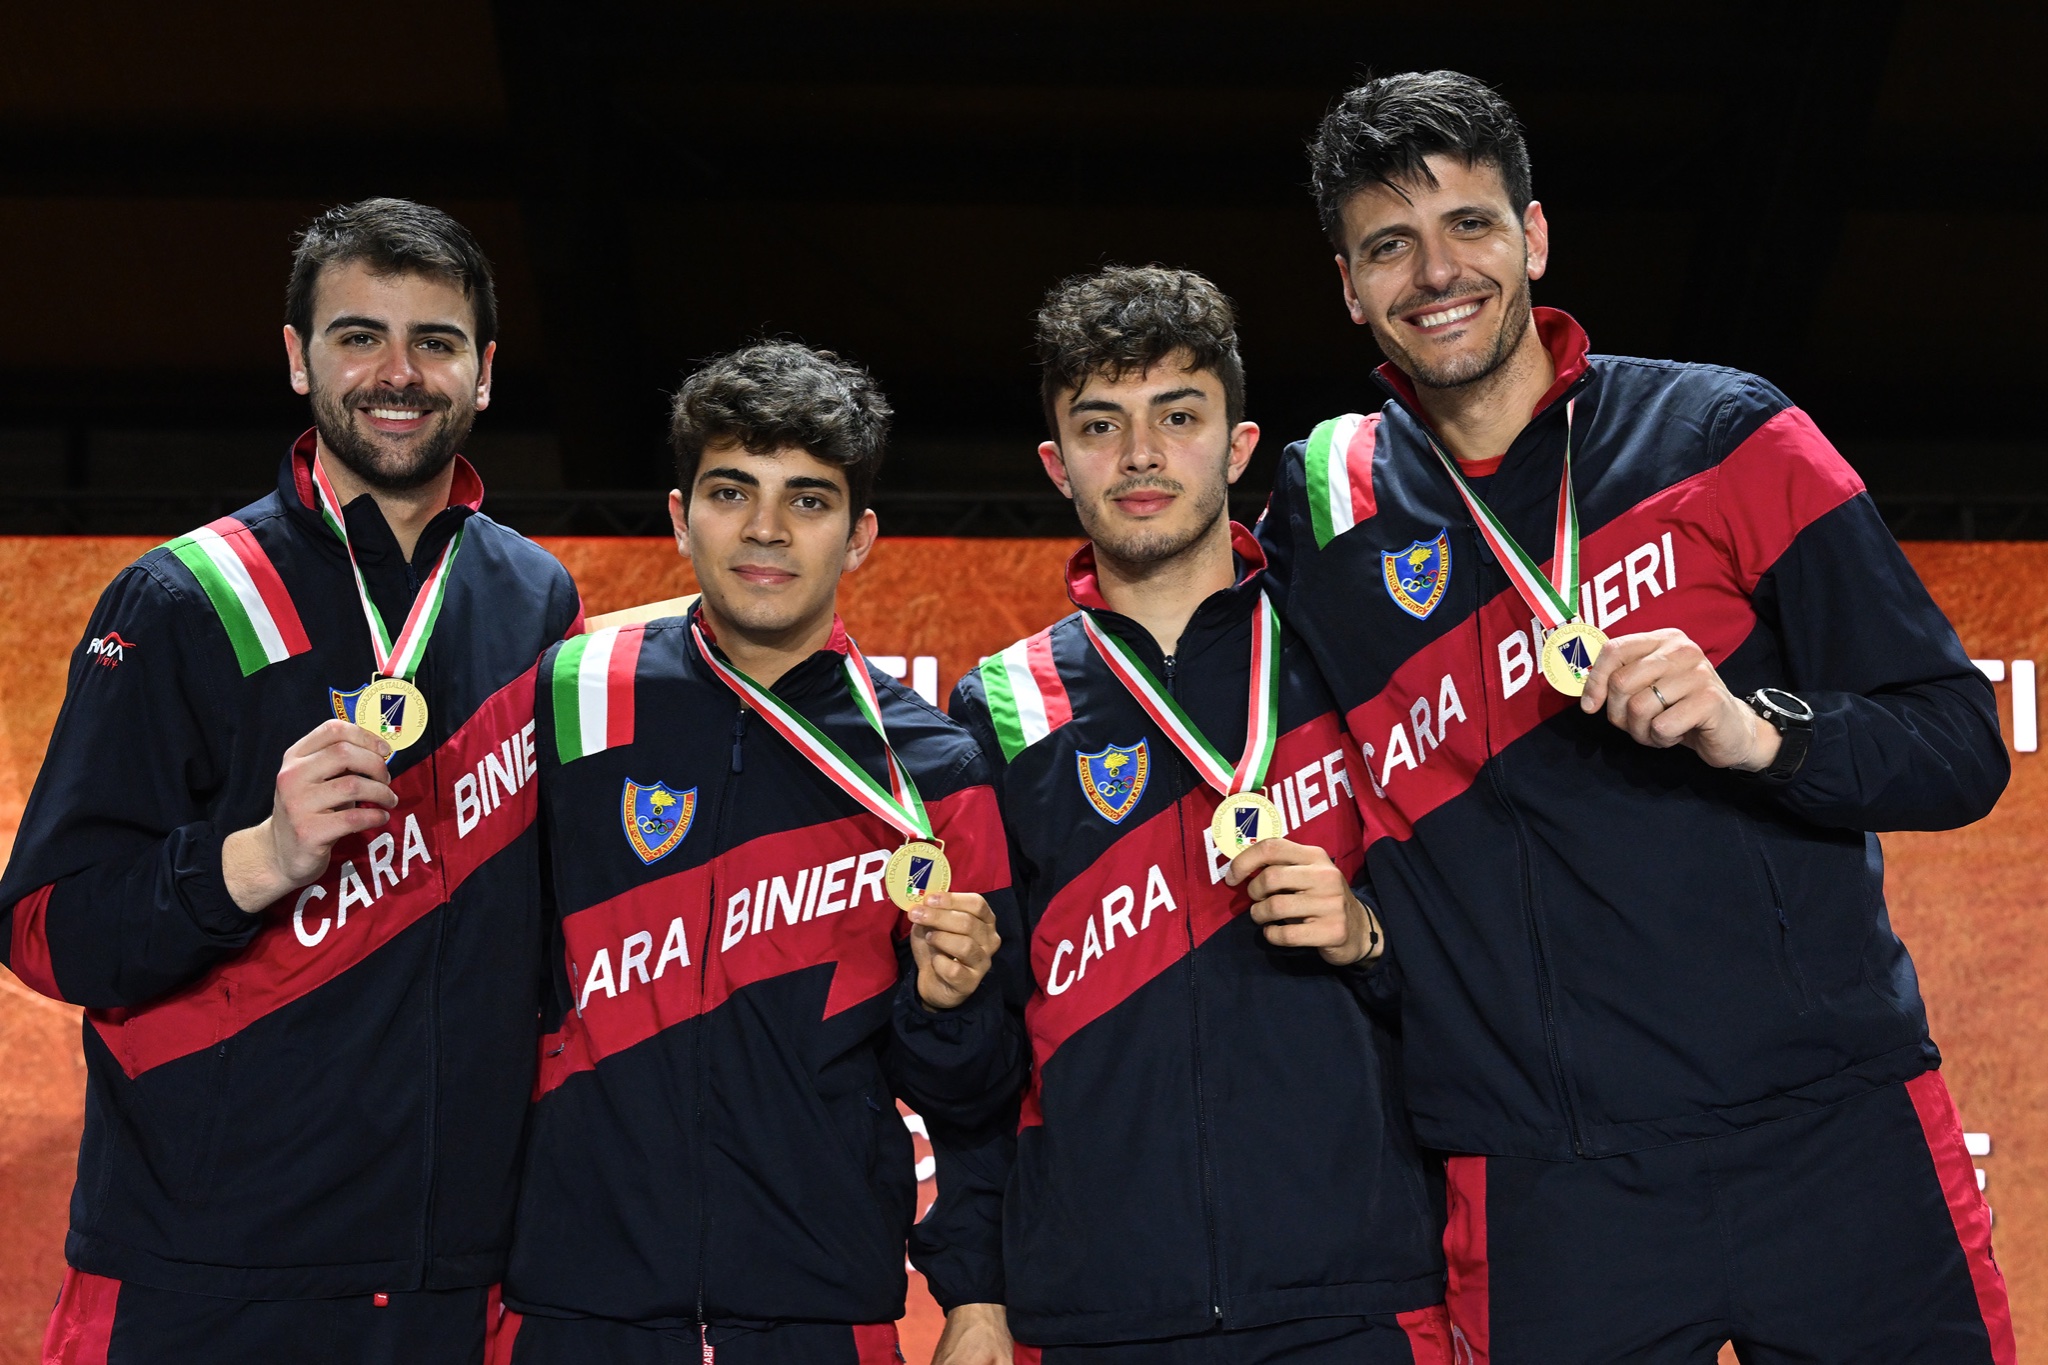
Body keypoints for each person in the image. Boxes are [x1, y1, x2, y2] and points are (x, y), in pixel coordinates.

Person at [1256, 70, 2016, 1365]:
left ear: (1535, 237)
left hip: (1831, 1137)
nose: (1437, 272)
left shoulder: (1728, 432)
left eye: (1471, 226)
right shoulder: (1327, 516)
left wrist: (1755, 726)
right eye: (1391, 245)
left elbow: (1956, 743)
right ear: (1347, 284)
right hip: (1548, 1186)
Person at [0, 198, 582, 1363]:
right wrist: (251, 858)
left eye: (437, 342)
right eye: (358, 335)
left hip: (448, 1277)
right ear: (294, 356)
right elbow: (44, 933)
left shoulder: (535, 598)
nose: (397, 373)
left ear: (484, 375)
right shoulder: (182, 599)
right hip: (210, 1280)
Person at [948, 266, 1452, 1365]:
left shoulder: (1346, 652)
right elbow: (977, 1066)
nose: (1138, 456)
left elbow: (1493, 934)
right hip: (1092, 1316)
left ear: (1235, 448)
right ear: (1056, 465)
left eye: (1177, 417)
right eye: (1099, 424)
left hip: (1354, 1298)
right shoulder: (999, 709)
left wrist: (1369, 937)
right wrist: (972, 1292)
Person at [494, 342, 1021, 1365]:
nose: (767, 530)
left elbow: (979, 1087)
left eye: (809, 500)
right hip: (572, 1304)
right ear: (678, 514)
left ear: (861, 536)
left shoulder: (931, 766)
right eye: (732, 490)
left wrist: (950, 1010)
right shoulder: (570, 702)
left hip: (817, 1312)